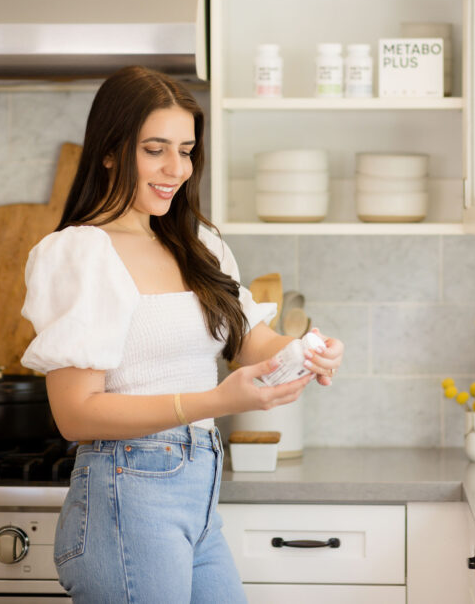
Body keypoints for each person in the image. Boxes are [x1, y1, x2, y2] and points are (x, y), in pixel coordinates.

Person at [19, 65, 344, 603]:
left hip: (198, 496)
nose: (176, 168)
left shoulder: (198, 242)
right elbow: (76, 414)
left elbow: (248, 343)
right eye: (155, 149)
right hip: (126, 493)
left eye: (187, 150)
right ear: (109, 150)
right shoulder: (81, 253)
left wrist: (306, 352)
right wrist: (215, 399)